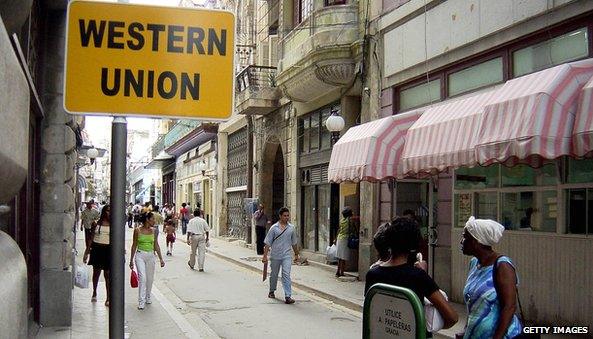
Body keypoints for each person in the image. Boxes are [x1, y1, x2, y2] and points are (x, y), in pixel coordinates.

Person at [365, 217, 458, 337]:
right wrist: (424, 329)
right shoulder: (418, 276)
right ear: (414, 244)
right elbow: (452, 317)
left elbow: (371, 313)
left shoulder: (373, 274)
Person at [460, 216, 522, 339]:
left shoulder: (502, 265)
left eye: (465, 237)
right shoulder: (474, 263)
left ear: (476, 241)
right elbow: (473, 304)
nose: (461, 241)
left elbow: (509, 307)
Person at [262, 207, 299, 304]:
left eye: (288, 216)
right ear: (280, 216)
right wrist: (265, 256)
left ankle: (288, 296)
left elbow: (294, 243)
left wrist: (296, 254)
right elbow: (268, 243)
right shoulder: (274, 228)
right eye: (285, 216)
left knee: (286, 274)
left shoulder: (291, 228)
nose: (287, 217)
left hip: (286, 255)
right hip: (275, 256)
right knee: (274, 274)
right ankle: (272, 290)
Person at [129, 212, 165, 310]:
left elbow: (156, 245)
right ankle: (141, 301)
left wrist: (161, 258)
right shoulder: (137, 230)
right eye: (153, 219)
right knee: (143, 277)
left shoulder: (154, 231)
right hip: (140, 255)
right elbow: (134, 245)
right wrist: (131, 260)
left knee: (150, 278)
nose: (154, 221)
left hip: (151, 256)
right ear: (147, 220)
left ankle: (148, 296)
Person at [83, 204, 111, 306]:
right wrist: (86, 252)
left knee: (107, 274)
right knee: (96, 273)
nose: (109, 213)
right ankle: (94, 291)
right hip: (97, 249)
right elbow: (91, 238)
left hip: (108, 250)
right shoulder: (96, 224)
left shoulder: (114, 224)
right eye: (108, 211)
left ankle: (108, 297)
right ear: (104, 212)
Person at [335, 206, 355, 277]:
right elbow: (352, 229)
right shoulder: (350, 220)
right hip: (345, 239)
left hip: (339, 238)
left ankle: (338, 271)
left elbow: (339, 230)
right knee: (343, 257)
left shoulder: (342, 220)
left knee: (340, 257)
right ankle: (342, 272)